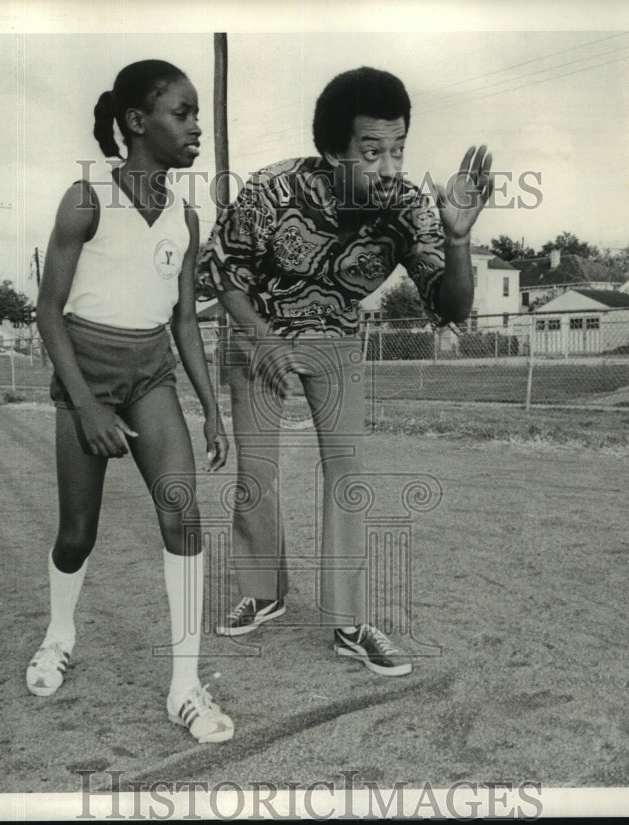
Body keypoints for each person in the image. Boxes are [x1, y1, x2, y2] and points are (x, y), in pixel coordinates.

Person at [198, 66, 493, 677]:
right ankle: (264, 590)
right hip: (260, 333)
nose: (390, 166)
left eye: (399, 148)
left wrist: (460, 240)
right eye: (372, 151)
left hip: (337, 338)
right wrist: (266, 342)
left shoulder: (410, 206)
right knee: (257, 469)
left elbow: (450, 305)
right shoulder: (271, 191)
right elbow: (227, 278)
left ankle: (350, 622)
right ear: (333, 150)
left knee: (347, 475)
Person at [26, 60, 234, 744]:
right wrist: (85, 404)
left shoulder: (185, 214)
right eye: (184, 112)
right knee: (76, 533)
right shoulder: (86, 198)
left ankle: (184, 685)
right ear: (139, 123)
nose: (197, 126)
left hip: (149, 373)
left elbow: (182, 323)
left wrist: (209, 403)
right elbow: (48, 312)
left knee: (183, 509)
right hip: (85, 371)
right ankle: (60, 632)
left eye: (199, 112)